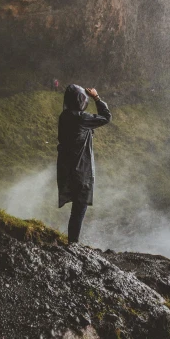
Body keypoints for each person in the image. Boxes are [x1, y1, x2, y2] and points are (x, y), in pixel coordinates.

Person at [57, 85, 111, 244]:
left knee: (77, 207)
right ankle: (73, 243)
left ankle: (72, 242)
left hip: (67, 168)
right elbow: (106, 117)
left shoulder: (64, 116)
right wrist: (97, 97)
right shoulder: (82, 118)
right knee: (79, 208)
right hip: (81, 169)